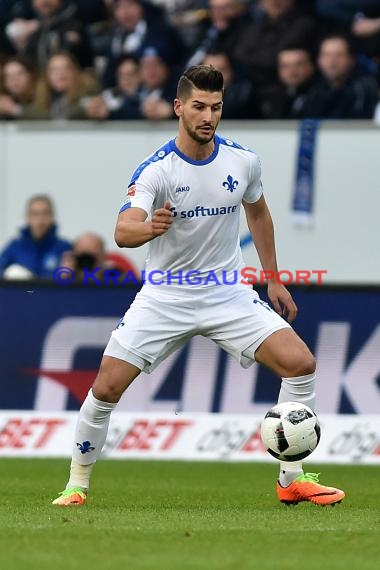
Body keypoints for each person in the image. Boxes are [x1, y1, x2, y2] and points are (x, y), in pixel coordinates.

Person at [52, 64, 345, 507]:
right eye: (199, 106)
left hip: (226, 292)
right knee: (105, 389)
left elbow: (259, 213)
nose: (208, 116)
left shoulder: (242, 160)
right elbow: (122, 231)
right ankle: (77, 484)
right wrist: (151, 228)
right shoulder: (157, 170)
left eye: (216, 107)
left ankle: (292, 480)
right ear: (178, 107)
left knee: (300, 363)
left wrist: (272, 277)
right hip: (165, 295)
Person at [301, 34, 379, 119]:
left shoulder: (364, 89)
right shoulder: (312, 89)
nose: (332, 61)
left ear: (351, 59)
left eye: (339, 55)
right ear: (319, 60)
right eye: (326, 55)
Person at [0, 194, 71, 278]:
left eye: (45, 213)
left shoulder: (64, 248)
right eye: (35, 214)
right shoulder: (14, 247)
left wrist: (66, 276)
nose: (40, 219)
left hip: (53, 291)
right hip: (23, 291)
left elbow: (83, 278)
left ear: (52, 217)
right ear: (28, 217)